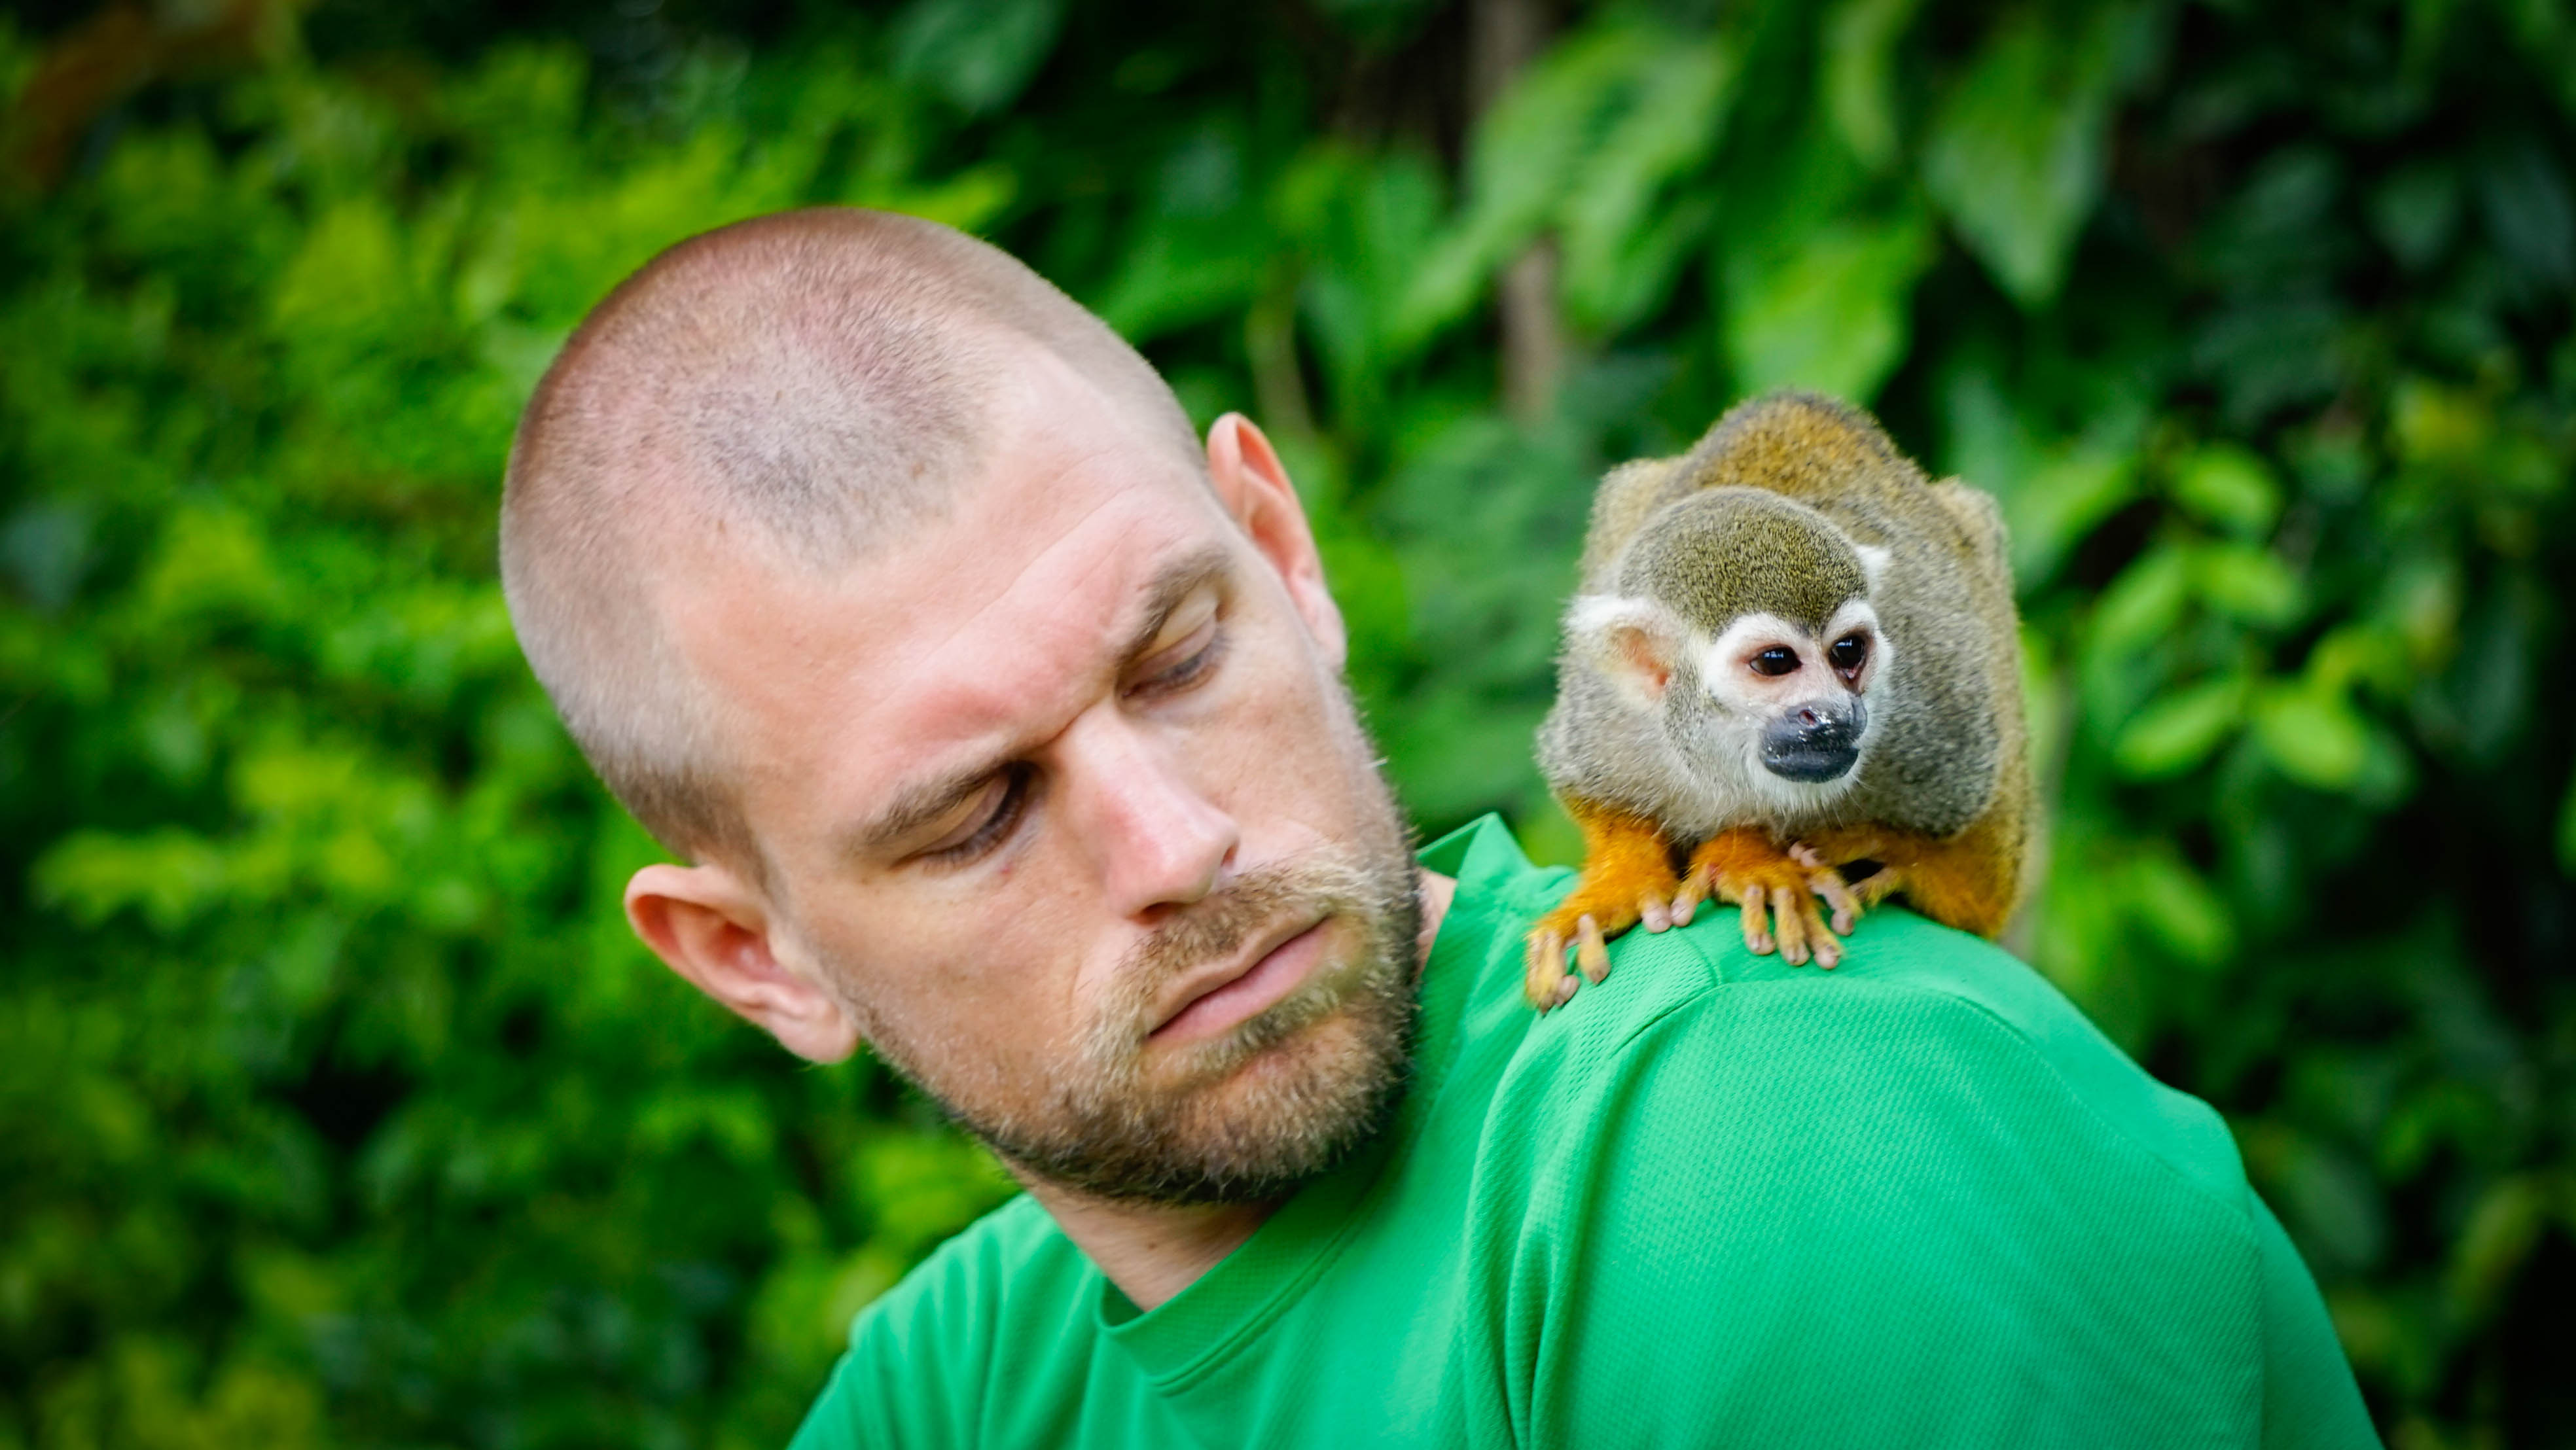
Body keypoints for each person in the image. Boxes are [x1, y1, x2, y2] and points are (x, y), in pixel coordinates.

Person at [497, 207, 2379, 1447]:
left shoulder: (1776, 1128)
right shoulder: (955, 1390)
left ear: (1284, 551)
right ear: (754, 958)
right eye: (979, 812)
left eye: (1176, 658)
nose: (1177, 845)